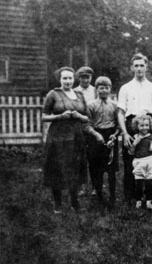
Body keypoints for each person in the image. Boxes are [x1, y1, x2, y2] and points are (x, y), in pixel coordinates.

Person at [42, 67, 89, 213]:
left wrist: (78, 116)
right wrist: (58, 117)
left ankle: (75, 202)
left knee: (75, 167)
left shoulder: (80, 95)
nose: (68, 81)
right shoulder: (53, 94)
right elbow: (43, 116)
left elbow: (87, 117)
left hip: (76, 136)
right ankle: (58, 204)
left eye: (70, 78)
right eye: (64, 78)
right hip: (58, 137)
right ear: (60, 79)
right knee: (58, 168)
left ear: (74, 79)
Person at [117, 53, 152, 205]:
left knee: (149, 159)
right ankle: (131, 196)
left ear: (146, 67)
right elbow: (121, 112)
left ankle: (148, 195)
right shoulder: (125, 88)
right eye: (136, 65)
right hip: (131, 125)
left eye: (141, 65)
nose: (139, 68)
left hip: (149, 125)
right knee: (130, 159)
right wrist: (124, 133)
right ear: (132, 68)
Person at [84, 76, 119, 210]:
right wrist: (96, 134)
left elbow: (118, 125)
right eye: (101, 88)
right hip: (96, 137)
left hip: (110, 136)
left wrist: (114, 136)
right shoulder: (91, 105)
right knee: (96, 168)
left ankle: (112, 196)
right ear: (97, 89)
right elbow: (87, 125)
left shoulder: (114, 105)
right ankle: (98, 195)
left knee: (111, 169)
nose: (104, 90)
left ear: (110, 89)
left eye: (107, 88)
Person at [128, 115, 152, 210]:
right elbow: (130, 152)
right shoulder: (135, 137)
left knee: (149, 181)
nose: (144, 127)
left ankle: (149, 200)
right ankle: (139, 200)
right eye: (142, 125)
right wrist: (134, 143)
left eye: (146, 125)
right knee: (139, 182)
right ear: (137, 126)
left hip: (150, 159)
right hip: (139, 161)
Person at [74, 66, 97, 196]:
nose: (85, 80)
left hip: (93, 128)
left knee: (93, 158)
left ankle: (95, 186)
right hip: (79, 128)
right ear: (79, 78)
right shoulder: (74, 91)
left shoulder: (95, 90)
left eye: (87, 77)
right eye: (83, 77)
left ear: (91, 78)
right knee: (79, 159)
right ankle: (81, 187)